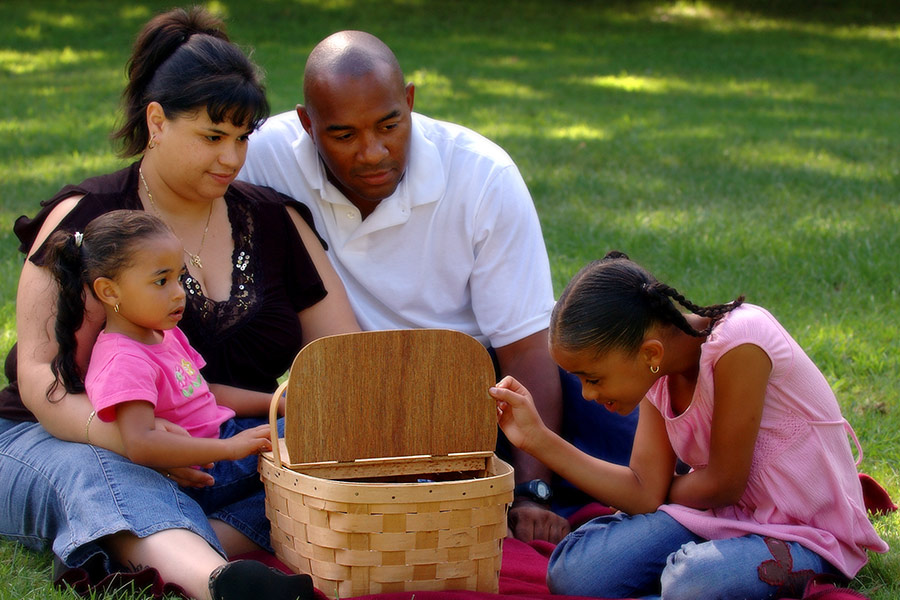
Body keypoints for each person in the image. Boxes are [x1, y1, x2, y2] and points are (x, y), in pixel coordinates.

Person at [0, 7, 357, 600]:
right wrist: (141, 445)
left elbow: (345, 359)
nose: (231, 158)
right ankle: (217, 580)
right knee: (103, 475)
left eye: (243, 139)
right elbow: (41, 380)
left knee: (336, 436)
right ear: (157, 121)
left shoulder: (275, 219)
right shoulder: (86, 221)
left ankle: (182, 541)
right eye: (212, 137)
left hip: (216, 434)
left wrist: (303, 419)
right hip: (68, 439)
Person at [237, 30, 638, 543]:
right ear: (306, 125)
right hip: (356, 399)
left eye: (389, 124)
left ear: (409, 101)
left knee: (640, 458)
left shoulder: (482, 175)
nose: (372, 152)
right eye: (343, 136)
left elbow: (525, 353)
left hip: (482, 392)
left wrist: (532, 494)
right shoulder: (264, 155)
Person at [489, 251, 888, 599]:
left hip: (800, 527)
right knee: (572, 573)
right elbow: (647, 493)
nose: (588, 395)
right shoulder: (657, 374)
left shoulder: (740, 344)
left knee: (692, 581)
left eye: (592, 378)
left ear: (650, 352)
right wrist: (537, 439)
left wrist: (651, 492)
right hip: (719, 516)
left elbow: (721, 483)